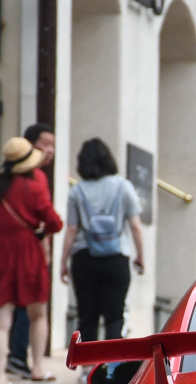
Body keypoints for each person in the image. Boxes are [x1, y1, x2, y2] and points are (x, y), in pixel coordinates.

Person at [0, 136, 63, 384]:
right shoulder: (35, 188)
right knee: (38, 314)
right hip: (28, 251)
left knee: (0, 323)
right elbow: (55, 223)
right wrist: (38, 229)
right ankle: (36, 367)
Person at [59, 138, 146, 346]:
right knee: (114, 315)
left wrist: (63, 262)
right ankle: (110, 367)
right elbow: (135, 225)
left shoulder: (77, 191)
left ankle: (86, 368)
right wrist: (140, 255)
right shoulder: (123, 187)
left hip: (84, 257)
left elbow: (71, 228)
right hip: (116, 257)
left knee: (87, 314)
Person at [6, 123, 57, 380]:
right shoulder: (36, 178)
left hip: (5, 249)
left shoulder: (6, 177)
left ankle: (15, 356)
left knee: (8, 305)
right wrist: (45, 245)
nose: (50, 150)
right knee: (33, 305)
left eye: (53, 145)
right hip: (29, 251)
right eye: (45, 143)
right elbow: (48, 218)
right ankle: (23, 358)